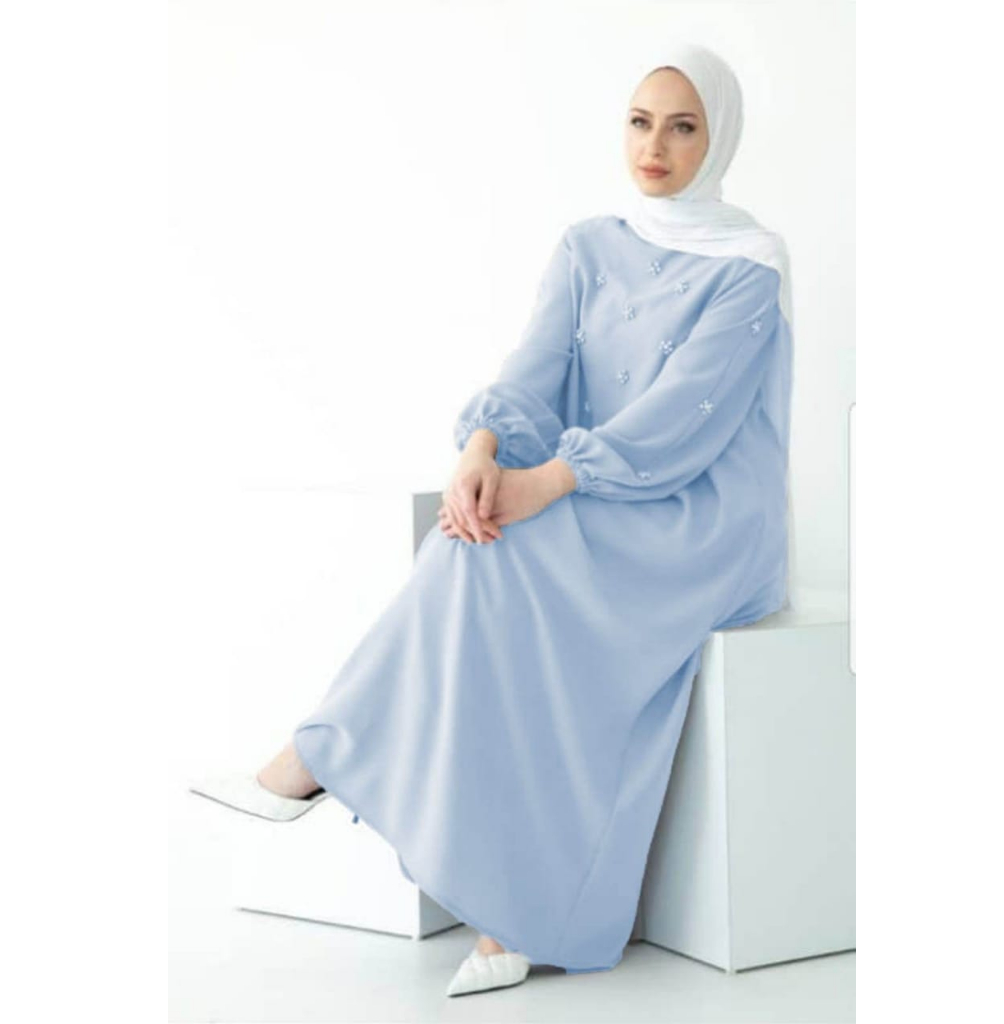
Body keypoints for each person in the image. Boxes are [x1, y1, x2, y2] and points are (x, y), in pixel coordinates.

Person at [190, 41, 794, 998]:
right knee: (473, 541)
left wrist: (548, 481)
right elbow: (533, 367)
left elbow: (683, 418)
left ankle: (321, 759)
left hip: (695, 514)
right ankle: (498, 899)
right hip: (587, 487)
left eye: (684, 127)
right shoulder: (588, 244)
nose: (655, 147)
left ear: (718, 140)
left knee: (500, 549)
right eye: (640, 122)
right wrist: (481, 449)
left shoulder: (750, 262)